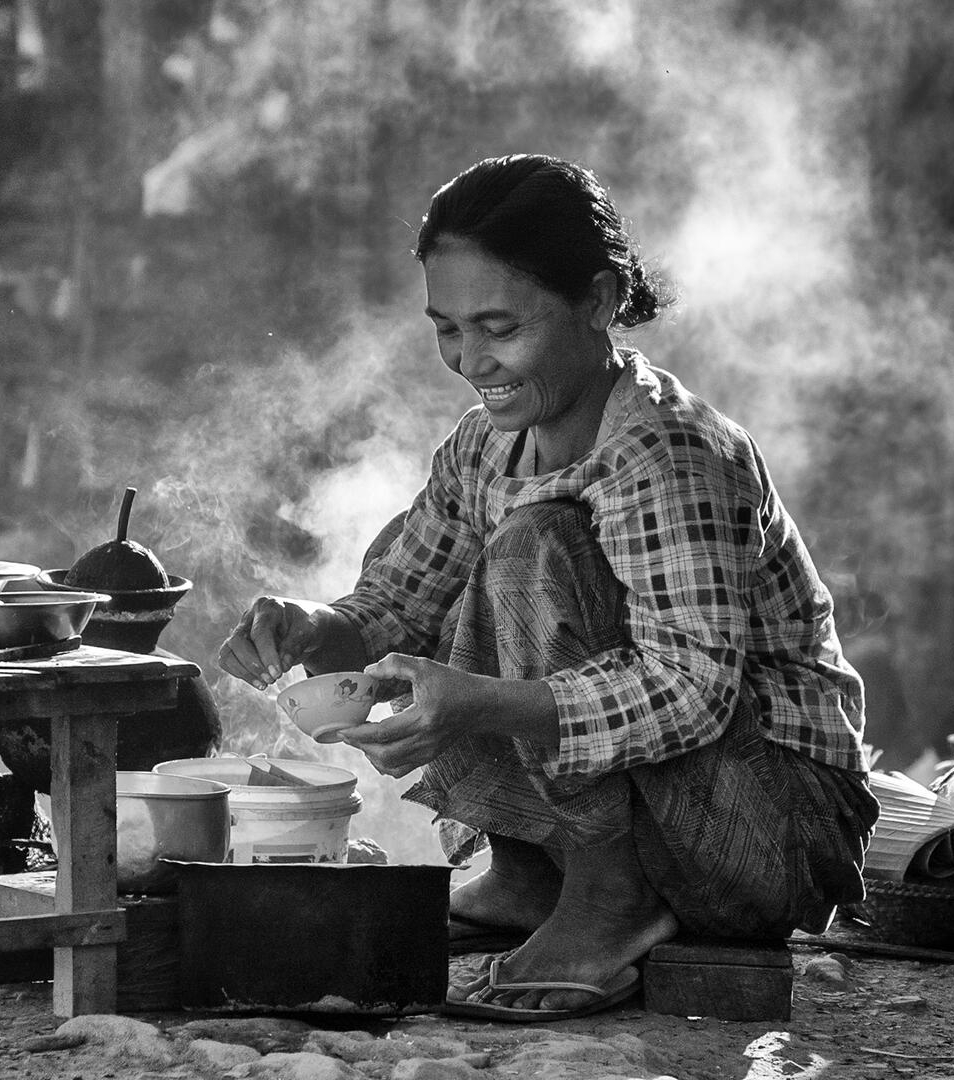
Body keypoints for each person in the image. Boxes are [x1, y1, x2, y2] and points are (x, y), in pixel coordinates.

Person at [219, 154, 878, 1021]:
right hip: (667, 816)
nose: (469, 359)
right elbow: (402, 603)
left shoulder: (668, 454)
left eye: (499, 326)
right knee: (487, 563)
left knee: (535, 546)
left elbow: (692, 692)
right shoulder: (482, 446)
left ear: (599, 303)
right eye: (448, 328)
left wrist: (484, 704)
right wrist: (316, 627)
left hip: (769, 837)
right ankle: (533, 877)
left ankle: (613, 897)